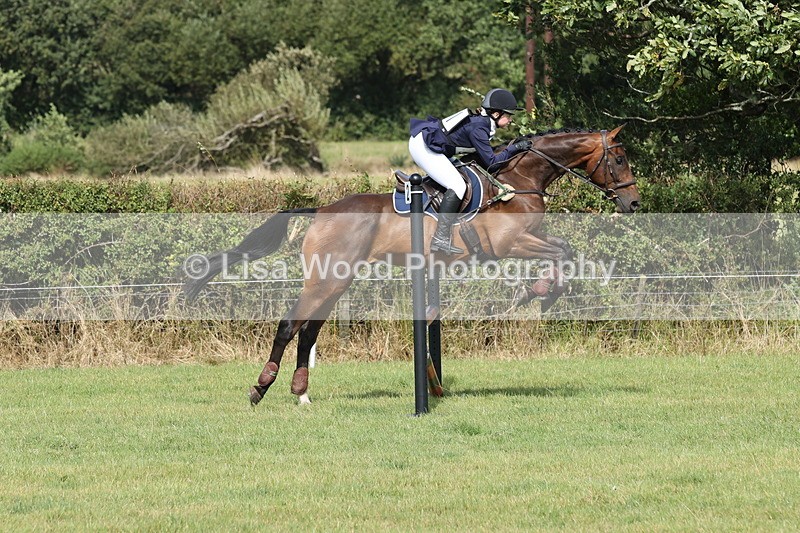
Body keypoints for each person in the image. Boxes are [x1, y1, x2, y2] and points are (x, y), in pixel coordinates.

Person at [408, 88, 532, 255]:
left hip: (434, 145)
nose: (510, 120)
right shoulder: (479, 128)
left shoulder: (483, 123)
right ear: (496, 114)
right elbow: (493, 163)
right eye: (508, 115)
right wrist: (514, 148)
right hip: (423, 147)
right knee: (458, 186)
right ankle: (440, 238)